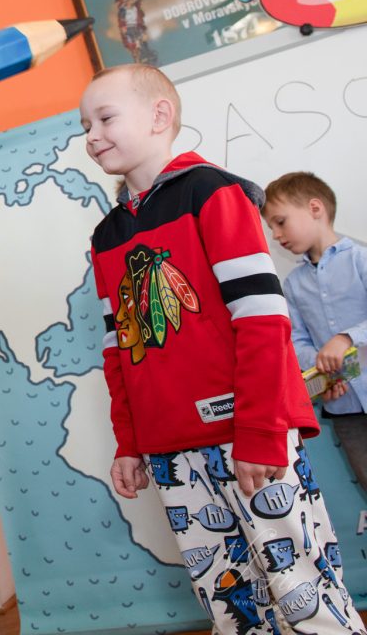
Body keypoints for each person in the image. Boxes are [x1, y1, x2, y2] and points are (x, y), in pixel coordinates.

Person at [80, 64, 364, 633]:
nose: (92, 136)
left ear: (159, 116)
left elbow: (262, 320)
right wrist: (129, 442)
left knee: (304, 592)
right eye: (84, 125)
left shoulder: (212, 191)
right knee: (231, 604)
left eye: (105, 118)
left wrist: (259, 429)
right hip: (169, 449)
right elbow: (120, 350)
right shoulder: (106, 235)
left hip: (248, 435)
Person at [263, 172, 367, 492]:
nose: (276, 235)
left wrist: (347, 338)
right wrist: (323, 369)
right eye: (271, 227)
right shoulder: (293, 285)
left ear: (315, 209)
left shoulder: (361, 259)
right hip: (344, 407)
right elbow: (296, 341)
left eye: (281, 222)